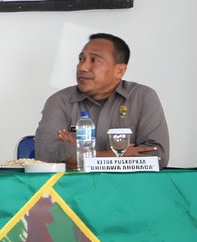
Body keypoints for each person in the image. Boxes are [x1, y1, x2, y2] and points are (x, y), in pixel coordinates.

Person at [34, 33, 170, 168]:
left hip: (126, 182)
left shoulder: (141, 97)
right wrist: (118, 155)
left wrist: (79, 153)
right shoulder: (60, 101)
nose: (83, 67)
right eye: (81, 59)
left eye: (95, 60)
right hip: (75, 182)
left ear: (119, 70)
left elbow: (157, 156)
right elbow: (45, 155)